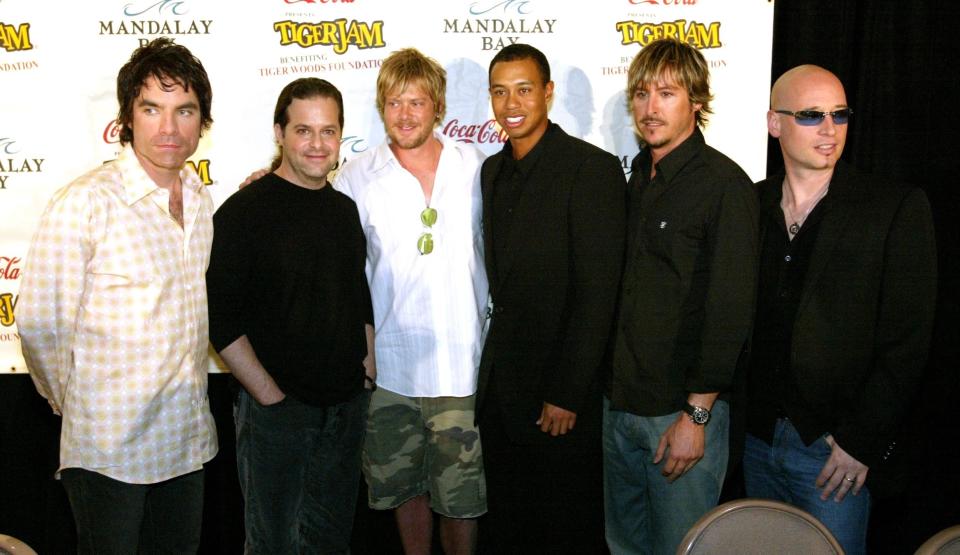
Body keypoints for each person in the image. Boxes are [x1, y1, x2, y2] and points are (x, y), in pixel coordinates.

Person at [16, 38, 218, 554]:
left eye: (185, 111)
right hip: (109, 447)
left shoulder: (200, 201)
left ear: (203, 122)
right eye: (152, 109)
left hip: (187, 440)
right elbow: (42, 327)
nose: (169, 128)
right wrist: (76, 402)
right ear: (128, 118)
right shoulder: (85, 203)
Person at [742, 64, 937, 555]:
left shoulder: (892, 208)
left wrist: (861, 441)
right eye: (811, 116)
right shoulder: (750, 205)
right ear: (774, 123)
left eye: (840, 114)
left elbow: (908, 341)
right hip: (755, 443)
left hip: (833, 455)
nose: (830, 130)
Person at [206, 78, 375, 554]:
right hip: (277, 416)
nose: (317, 144)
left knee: (330, 541)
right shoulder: (242, 213)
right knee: (273, 544)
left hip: (344, 410)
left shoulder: (344, 210)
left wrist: (367, 370)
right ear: (279, 132)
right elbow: (220, 316)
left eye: (328, 131)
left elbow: (356, 294)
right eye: (304, 130)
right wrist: (269, 398)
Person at [603, 38, 758, 555]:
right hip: (621, 406)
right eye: (642, 94)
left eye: (666, 93)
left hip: (680, 416)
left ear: (696, 100)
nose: (651, 108)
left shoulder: (724, 186)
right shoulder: (637, 179)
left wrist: (696, 417)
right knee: (624, 546)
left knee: (681, 548)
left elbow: (730, 311)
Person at [335, 48, 489, 555]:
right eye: (395, 102)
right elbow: (326, 246)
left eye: (417, 102)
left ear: (438, 107)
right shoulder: (357, 175)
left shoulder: (476, 167)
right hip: (391, 371)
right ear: (382, 107)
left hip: (462, 366)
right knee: (404, 491)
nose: (405, 114)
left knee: (461, 499)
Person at [476, 43, 626, 553]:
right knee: (509, 530)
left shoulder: (591, 169)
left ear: (548, 93)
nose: (510, 102)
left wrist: (566, 391)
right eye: (499, 91)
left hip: (560, 402)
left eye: (523, 89)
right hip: (501, 398)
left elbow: (597, 293)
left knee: (563, 531)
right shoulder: (491, 172)